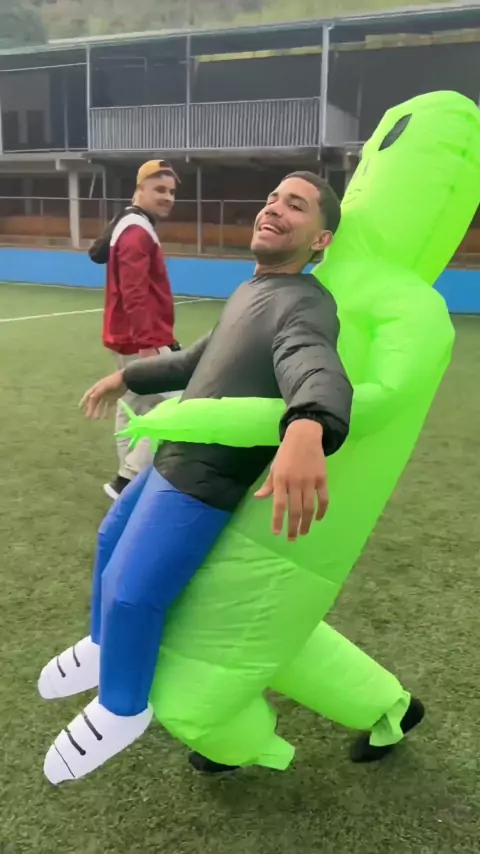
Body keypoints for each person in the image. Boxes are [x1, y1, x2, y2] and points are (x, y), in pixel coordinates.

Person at [39, 171, 354, 784]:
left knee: (132, 590)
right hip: (173, 456)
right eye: (273, 198)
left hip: (204, 480)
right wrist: (126, 376)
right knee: (108, 542)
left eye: (296, 206)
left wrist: (309, 424)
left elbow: (312, 363)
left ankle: (122, 707)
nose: (274, 208)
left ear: (321, 240)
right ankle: (104, 648)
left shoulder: (306, 303)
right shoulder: (252, 289)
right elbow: (197, 360)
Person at [90, 160, 181, 501]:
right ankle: (126, 481)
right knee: (183, 402)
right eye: (159, 189)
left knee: (132, 406)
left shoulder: (131, 223)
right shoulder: (136, 230)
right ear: (139, 189)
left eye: (171, 191)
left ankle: (125, 483)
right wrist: (148, 344)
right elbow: (135, 291)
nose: (168, 197)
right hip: (140, 340)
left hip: (129, 338)